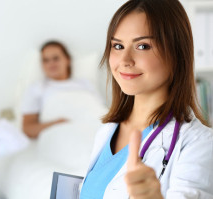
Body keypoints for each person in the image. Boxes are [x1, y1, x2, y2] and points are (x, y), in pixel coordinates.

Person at [79, 0, 213, 199]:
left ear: (176, 53)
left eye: (143, 46)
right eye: (117, 45)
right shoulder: (106, 132)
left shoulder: (200, 145)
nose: (125, 60)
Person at [22, 40, 101, 138]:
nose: (51, 63)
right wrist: (56, 125)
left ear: (68, 60)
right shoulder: (37, 88)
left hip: (95, 128)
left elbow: (99, 111)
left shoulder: (86, 84)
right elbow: (28, 129)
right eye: (46, 60)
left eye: (56, 58)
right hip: (62, 134)